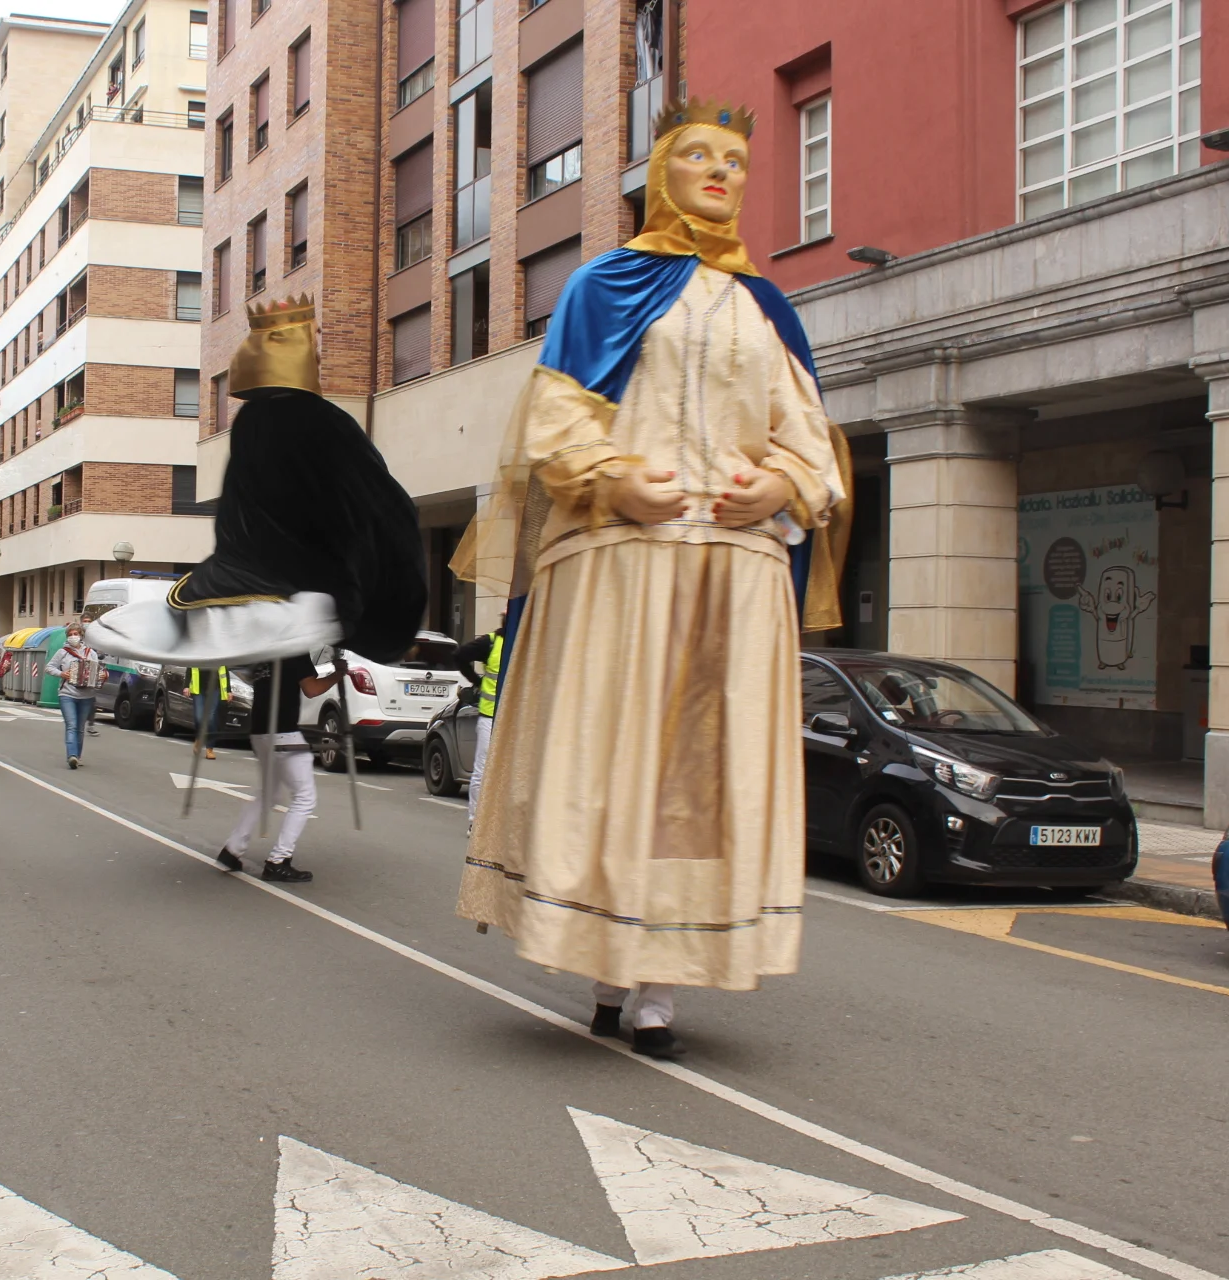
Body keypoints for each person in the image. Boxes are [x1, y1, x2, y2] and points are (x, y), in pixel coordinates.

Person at [453, 99, 845, 1060]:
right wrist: (612, 479)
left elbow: (811, 442)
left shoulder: (765, 309)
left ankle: (659, 987)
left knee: (696, 791)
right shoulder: (605, 285)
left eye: (735, 161)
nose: (721, 172)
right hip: (622, 565)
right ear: (661, 172)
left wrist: (784, 485)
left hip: (734, 578)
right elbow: (555, 421)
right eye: (699, 156)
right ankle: (606, 967)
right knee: (611, 767)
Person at [85, 293, 426, 672]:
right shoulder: (323, 420)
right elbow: (372, 503)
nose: (319, 355)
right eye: (314, 344)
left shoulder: (250, 420)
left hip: (235, 575)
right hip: (302, 582)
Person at [215, 655, 342, 883]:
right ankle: (278, 861)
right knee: (305, 797)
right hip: (284, 731)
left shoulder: (266, 650)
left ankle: (232, 850)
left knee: (269, 794)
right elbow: (311, 689)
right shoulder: (295, 650)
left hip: (259, 730)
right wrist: (338, 674)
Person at [451, 618, 505, 833]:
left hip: (510, 720)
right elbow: (459, 655)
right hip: (490, 717)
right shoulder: (491, 642)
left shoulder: (527, 644)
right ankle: (475, 822)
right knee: (482, 771)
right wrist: (477, 681)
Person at [46, 622, 102, 768]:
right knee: (71, 725)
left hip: (87, 695)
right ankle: (71, 755)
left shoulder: (91, 653)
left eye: (75, 634)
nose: (73, 637)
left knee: (80, 727)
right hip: (67, 694)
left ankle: (77, 755)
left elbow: (97, 671)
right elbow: (49, 667)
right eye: (70, 634)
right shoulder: (63, 652)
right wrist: (62, 673)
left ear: (81, 636)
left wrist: (101, 676)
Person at [190, 666, 228, 760]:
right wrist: (186, 686)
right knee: (199, 717)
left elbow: (225, 671)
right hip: (199, 688)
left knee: (211, 718)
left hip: (214, 689)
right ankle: (199, 738)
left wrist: (229, 691)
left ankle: (209, 749)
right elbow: (190, 667)